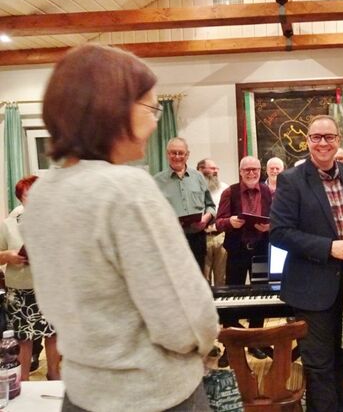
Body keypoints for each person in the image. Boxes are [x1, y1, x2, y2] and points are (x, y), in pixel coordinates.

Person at [20, 44, 219, 412]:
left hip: (82, 392)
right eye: (150, 108)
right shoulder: (126, 189)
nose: (155, 122)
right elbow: (184, 319)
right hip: (153, 394)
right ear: (112, 109)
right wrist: (209, 346)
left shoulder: (42, 194)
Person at [270, 115, 343, 412]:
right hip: (311, 290)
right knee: (319, 367)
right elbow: (279, 233)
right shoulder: (291, 180)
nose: (323, 143)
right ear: (307, 141)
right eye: (316, 137)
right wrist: (329, 248)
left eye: (329, 137)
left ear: (338, 140)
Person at [0, 175, 61, 381]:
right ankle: (23, 379)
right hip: (20, 289)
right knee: (23, 337)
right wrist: (8, 256)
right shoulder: (8, 225)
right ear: (21, 198)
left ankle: (54, 373)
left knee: (54, 333)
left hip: (51, 287)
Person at [215, 156, 272, 366]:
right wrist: (230, 222)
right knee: (232, 298)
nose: (251, 173)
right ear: (240, 172)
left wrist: (270, 225)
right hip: (237, 251)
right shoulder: (229, 192)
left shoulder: (268, 192)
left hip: (261, 250)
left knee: (261, 297)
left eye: (255, 169)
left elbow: (278, 218)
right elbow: (218, 222)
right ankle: (231, 346)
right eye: (247, 170)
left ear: (260, 170)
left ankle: (255, 341)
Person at [154, 137, 216, 270]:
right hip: (170, 241)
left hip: (197, 239)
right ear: (167, 154)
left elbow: (210, 206)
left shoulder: (198, 177)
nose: (177, 157)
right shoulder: (157, 181)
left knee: (198, 278)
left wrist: (206, 218)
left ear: (187, 155)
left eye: (181, 153)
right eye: (173, 153)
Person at [197, 158, 229, 286]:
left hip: (221, 237)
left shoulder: (225, 188)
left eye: (217, 168)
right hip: (201, 237)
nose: (216, 171)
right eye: (212, 168)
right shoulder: (194, 189)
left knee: (222, 278)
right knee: (203, 279)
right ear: (200, 169)